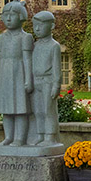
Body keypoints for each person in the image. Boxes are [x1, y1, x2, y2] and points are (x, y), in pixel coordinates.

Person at [0, 1, 33, 146]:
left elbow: (27, 60)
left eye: (12, 15)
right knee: (6, 109)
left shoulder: (25, 37)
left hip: (19, 74)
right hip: (4, 74)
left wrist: (28, 79)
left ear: (21, 16)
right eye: (6, 15)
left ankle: (19, 139)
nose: (9, 19)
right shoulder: (1, 38)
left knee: (20, 109)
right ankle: (8, 137)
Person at [29, 11, 62, 147]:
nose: (37, 29)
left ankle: (50, 136)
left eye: (41, 25)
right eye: (35, 25)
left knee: (49, 110)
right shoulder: (34, 46)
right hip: (36, 81)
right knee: (38, 111)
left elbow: (56, 68)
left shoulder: (54, 46)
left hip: (48, 82)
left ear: (52, 26)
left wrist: (56, 85)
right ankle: (40, 134)